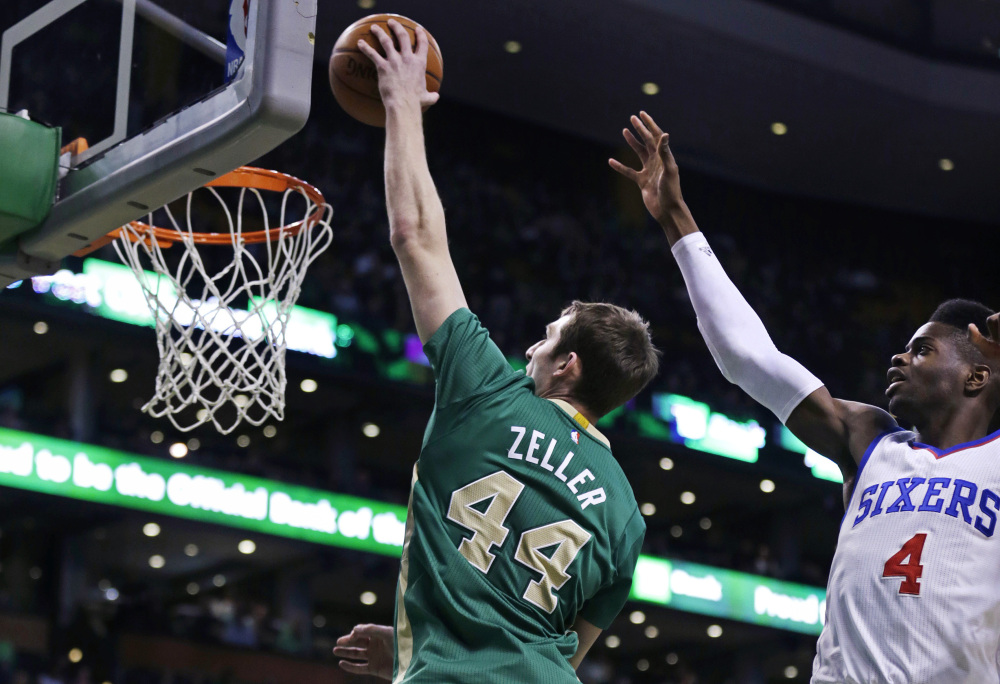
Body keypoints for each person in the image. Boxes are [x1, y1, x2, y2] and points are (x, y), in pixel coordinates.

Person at [611, 111, 1000, 683]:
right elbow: (750, 358)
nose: (899, 359)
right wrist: (674, 216)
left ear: (977, 377)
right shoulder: (868, 440)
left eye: (922, 351)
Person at [334, 23, 661, 682]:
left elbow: (415, 235)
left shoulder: (487, 389)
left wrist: (401, 102)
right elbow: (564, 652)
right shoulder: (626, 515)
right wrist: (415, 643)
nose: (530, 348)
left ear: (567, 365)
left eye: (546, 338)